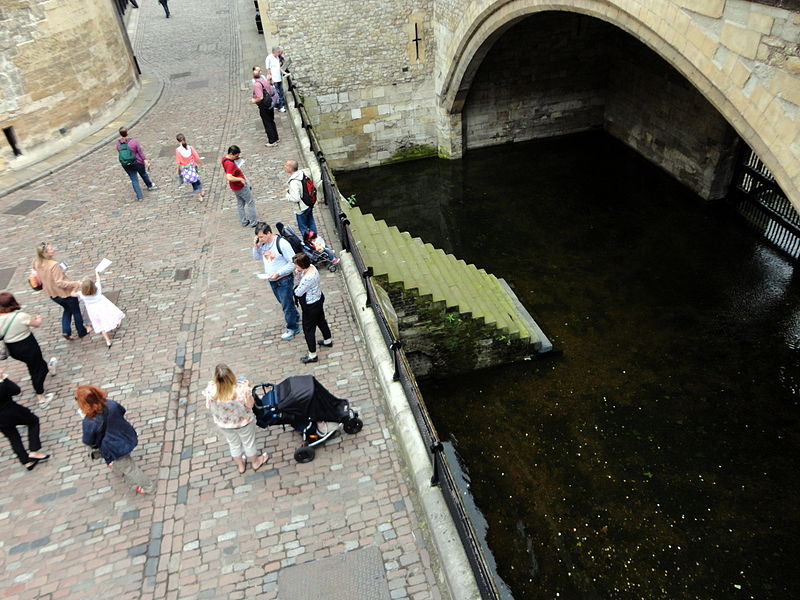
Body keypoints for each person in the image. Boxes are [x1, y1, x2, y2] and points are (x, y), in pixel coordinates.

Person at [76, 385, 154, 494]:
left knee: (130, 469)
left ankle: (148, 486)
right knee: (122, 462)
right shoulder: (110, 404)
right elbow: (122, 410)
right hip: (126, 435)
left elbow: (88, 440)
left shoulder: (89, 421)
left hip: (113, 448)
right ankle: (116, 467)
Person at [203, 364, 267, 474]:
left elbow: (208, 406)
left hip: (224, 424)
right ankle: (255, 462)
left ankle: (241, 466)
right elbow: (250, 405)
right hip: (243, 422)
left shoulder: (210, 390)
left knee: (233, 444)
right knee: (248, 443)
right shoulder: (242, 389)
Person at [0, 293, 55, 405]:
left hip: (13, 349)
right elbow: (36, 324)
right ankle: (40, 396)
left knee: (36, 363)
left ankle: (49, 367)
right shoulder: (21, 316)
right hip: (28, 345)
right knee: (35, 369)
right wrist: (39, 318)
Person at [253, 223, 301, 340]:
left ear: (268, 233)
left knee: (286, 304)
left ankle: (292, 328)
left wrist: (278, 273)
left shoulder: (282, 244)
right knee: (284, 302)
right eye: (258, 237)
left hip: (284, 280)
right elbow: (257, 257)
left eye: (262, 237)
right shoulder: (263, 244)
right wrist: (256, 246)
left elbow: (293, 262)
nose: (260, 239)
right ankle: (295, 316)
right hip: (272, 280)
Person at [34, 242, 91, 340]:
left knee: (67, 309)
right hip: (65, 294)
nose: (54, 249)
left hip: (53, 294)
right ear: (45, 253)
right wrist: (76, 283)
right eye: (51, 249)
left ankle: (66, 331)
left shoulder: (36, 262)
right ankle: (82, 331)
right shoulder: (53, 264)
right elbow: (60, 283)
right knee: (76, 312)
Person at [0, 374, 50, 471]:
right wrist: (4, 378)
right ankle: (34, 450)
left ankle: (26, 461)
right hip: (12, 411)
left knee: (13, 438)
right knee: (33, 421)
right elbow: (16, 390)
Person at [292, 253, 333, 364]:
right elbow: (300, 278)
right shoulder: (312, 268)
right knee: (321, 320)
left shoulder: (308, 278)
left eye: (297, 265)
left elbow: (298, 292)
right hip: (318, 299)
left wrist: (297, 279)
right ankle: (327, 339)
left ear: (302, 265)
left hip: (310, 305)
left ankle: (312, 355)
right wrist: (298, 274)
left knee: (308, 330)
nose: (296, 267)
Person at [75, 273, 125, 349]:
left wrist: (76, 285)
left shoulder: (81, 294)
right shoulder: (97, 289)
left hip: (93, 311)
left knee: (101, 325)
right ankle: (116, 323)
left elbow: (71, 294)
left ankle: (108, 340)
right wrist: (96, 273)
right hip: (103, 307)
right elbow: (98, 280)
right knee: (111, 314)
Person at [221, 145, 259, 227]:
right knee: (250, 202)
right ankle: (254, 222)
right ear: (231, 154)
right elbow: (229, 177)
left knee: (240, 203)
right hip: (240, 186)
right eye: (236, 156)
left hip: (235, 187)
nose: (237, 157)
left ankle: (244, 221)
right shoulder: (230, 164)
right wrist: (240, 179)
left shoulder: (225, 159)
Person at [116, 127, 157, 201]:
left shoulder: (118, 144)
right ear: (127, 133)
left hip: (126, 164)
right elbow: (140, 152)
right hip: (137, 162)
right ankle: (150, 186)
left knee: (134, 179)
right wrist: (145, 160)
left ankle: (139, 196)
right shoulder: (133, 142)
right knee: (143, 174)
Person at [284, 159, 317, 235]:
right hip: (308, 203)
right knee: (311, 223)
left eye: (286, 165)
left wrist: (287, 195)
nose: (284, 167)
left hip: (301, 208)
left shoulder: (294, 182)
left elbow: (296, 198)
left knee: (303, 228)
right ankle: (315, 240)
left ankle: (309, 243)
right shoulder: (301, 174)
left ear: (290, 168)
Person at [251, 66, 279, 146]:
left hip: (264, 105)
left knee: (267, 122)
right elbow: (269, 90)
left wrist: (254, 100)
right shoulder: (264, 81)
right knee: (271, 120)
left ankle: (272, 141)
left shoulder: (257, 85)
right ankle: (276, 137)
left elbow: (260, 97)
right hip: (269, 102)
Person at [175, 133, 205, 199]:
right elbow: (196, 157)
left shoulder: (178, 150)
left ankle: (199, 194)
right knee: (196, 178)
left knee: (193, 181)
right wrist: (201, 164)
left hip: (186, 169)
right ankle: (202, 189)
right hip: (194, 166)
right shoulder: (190, 148)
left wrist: (178, 171)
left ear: (178, 141)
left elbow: (178, 162)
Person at [265, 47, 287, 112]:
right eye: (279, 52)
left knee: (281, 92)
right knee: (277, 93)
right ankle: (281, 107)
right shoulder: (269, 58)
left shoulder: (277, 57)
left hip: (278, 77)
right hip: (274, 78)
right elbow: (268, 69)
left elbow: (278, 67)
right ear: (276, 52)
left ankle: (279, 105)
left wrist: (284, 72)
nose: (280, 53)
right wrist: (271, 79)